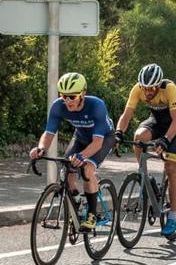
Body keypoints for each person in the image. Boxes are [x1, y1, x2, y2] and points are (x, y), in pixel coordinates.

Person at [30, 73, 115, 231]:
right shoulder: (58, 106)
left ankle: (91, 214)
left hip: (103, 138)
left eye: (72, 96)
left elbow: (97, 143)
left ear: (82, 94)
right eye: (63, 95)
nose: (67, 101)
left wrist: (81, 156)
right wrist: (41, 148)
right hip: (81, 137)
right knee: (67, 170)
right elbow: (48, 133)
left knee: (87, 169)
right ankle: (78, 206)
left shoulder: (96, 106)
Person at [115, 63, 176, 236]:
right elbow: (126, 115)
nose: (147, 92)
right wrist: (117, 133)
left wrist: (165, 140)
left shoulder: (169, 88)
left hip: (174, 124)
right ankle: (145, 176)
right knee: (138, 137)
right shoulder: (137, 89)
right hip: (155, 120)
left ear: (159, 84)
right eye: (145, 88)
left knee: (170, 167)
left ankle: (173, 215)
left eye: (151, 88)